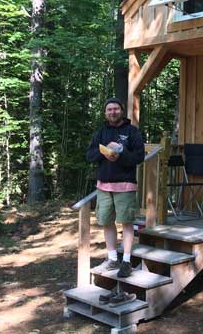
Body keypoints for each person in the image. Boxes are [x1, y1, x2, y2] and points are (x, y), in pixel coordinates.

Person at [86, 97, 145, 281]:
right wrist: (104, 153)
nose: (113, 112)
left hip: (125, 185)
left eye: (116, 109)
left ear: (121, 111)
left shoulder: (132, 132)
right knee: (106, 222)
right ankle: (112, 259)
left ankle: (126, 261)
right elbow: (90, 154)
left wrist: (120, 154)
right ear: (105, 113)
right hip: (103, 185)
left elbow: (139, 157)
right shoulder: (101, 132)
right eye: (109, 109)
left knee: (127, 223)